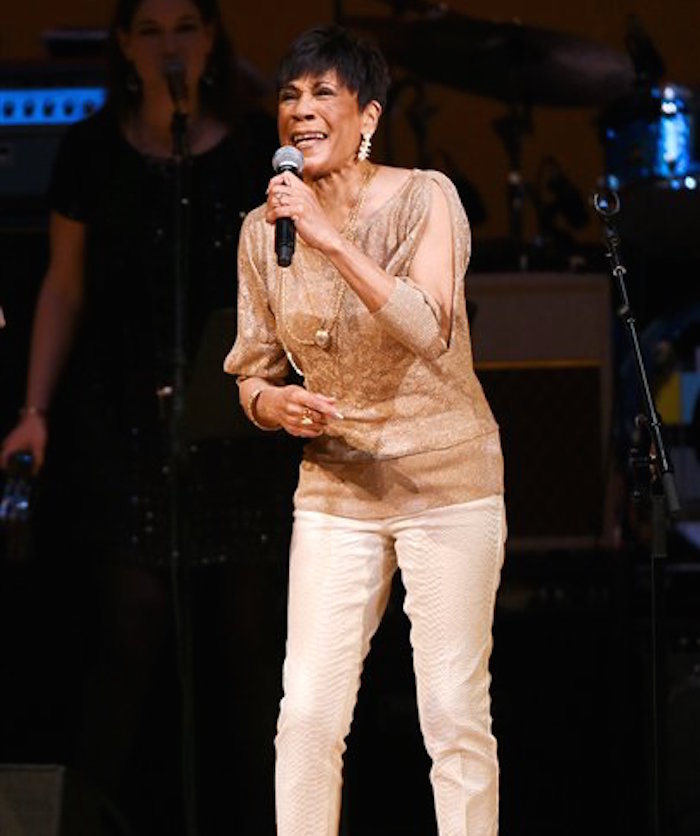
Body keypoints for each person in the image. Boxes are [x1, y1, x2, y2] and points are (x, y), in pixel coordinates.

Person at [0, 1, 289, 834]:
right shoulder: (91, 150)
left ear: (213, 41)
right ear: (125, 45)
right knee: (128, 639)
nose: (173, 44)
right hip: (121, 419)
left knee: (247, 652)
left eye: (188, 26)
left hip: (234, 415)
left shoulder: (248, 152)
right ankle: (86, 820)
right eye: (153, 28)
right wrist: (33, 409)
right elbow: (63, 285)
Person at [224, 22, 507, 836]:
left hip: (444, 478)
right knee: (308, 711)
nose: (301, 112)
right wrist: (268, 405)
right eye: (289, 96)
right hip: (337, 483)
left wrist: (328, 237)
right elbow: (252, 365)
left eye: (322, 95)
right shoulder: (260, 230)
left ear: (368, 115)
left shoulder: (427, 196)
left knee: (452, 710)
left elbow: (430, 327)